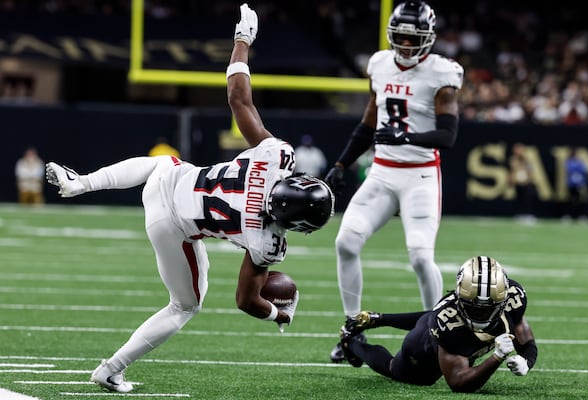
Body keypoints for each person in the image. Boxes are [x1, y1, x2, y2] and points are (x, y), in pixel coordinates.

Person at [45, 3, 334, 393]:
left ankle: (81, 184)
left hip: (169, 178)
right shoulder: (267, 242)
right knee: (185, 306)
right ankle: (111, 368)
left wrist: (243, 40)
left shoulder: (275, 155)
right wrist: (276, 315)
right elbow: (246, 300)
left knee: (163, 161)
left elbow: (238, 98)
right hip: (172, 227)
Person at [323, 0, 464, 362]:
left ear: (428, 39)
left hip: (419, 175)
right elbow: (368, 123)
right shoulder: (380, 64)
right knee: (345, 243)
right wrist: (341, 164)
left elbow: (447, 136)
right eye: (399, 35)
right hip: (382, 172)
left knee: (420, 256)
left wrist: (408, 139)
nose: (404, 43)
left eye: (411, 37)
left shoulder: (441, 73)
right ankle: (350, 330)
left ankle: (439, 338)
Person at [338, 256, 538, 393]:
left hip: (437, 324)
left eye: (487, 308)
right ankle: (351, 343)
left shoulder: (514, 299)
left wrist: (526, 361)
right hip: (423, 349)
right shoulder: (447, 322)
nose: (480, 313)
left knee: (430, 319)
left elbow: (526, 342)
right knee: (396, 369)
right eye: (474, 307)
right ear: (459, 298)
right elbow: (458, 382)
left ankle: (378, 319)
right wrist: (497, 357)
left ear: (504, 300)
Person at [508, 142, 536, 223]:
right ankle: (519, 214)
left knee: (526, 199)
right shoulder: (513, 159)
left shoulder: (526, 159)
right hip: (517, 182)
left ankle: (527, 214)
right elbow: (512, 171)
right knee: (519, 199)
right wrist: (511, 179)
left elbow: (530, 170)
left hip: (525, 182)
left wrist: (529, 179)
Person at [564, 148, 588, 220]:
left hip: (579, 184)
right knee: (571, 200)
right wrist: (578, 166)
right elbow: (570, 169)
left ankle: (580, 215)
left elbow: (584, 169)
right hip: (572, 184)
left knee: (580, 201)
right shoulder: (570, 161)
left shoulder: (579, 162)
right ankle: (569, 215)